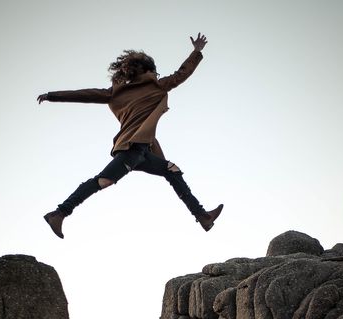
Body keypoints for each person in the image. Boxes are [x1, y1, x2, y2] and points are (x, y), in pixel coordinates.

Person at [37, 33, 223, 239]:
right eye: (153, 70)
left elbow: (84, 94)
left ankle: (202, 216)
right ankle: (60, 213)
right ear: (146, 70)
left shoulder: (116, 92)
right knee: (104, 180)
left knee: (172, 170)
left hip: (142, 150)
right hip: (131, 149)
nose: (156, 73)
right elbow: (181, 74)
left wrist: (52, 95)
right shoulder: (155, 85)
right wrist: (196, 52)